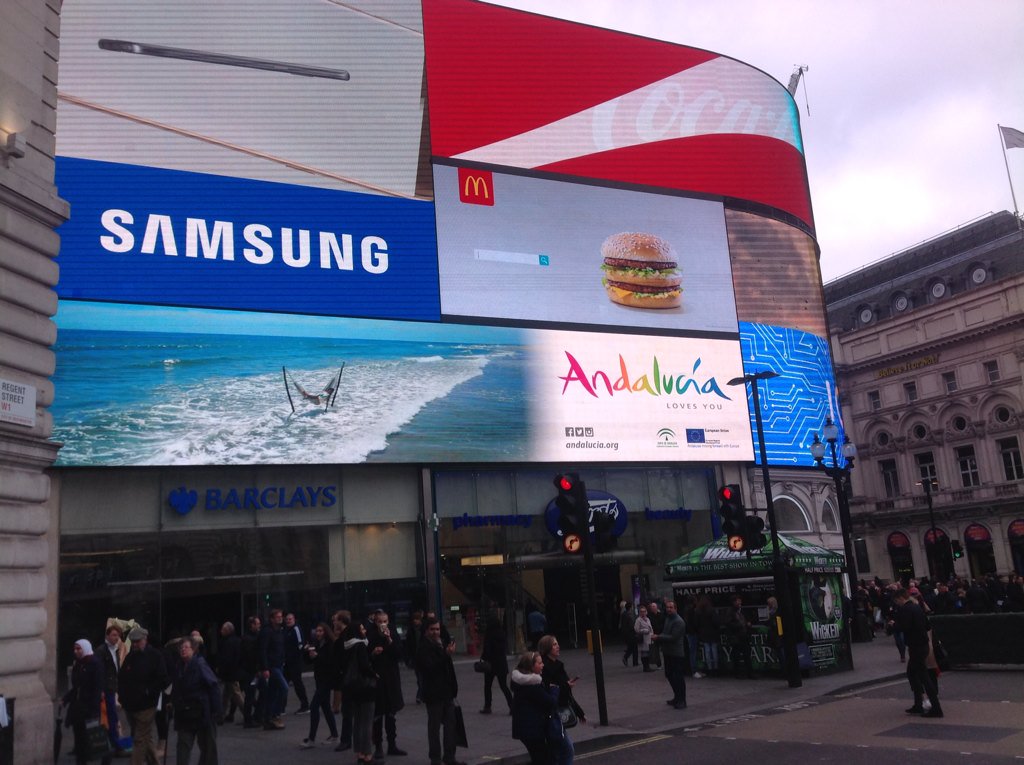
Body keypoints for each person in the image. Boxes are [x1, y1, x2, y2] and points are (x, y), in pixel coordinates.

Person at [416, 616, 465, 765]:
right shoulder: (423, 647)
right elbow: (429, 668)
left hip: (447, 692)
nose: (435, 632)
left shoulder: (441, 643)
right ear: (426, 631)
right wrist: (446, 654)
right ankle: (435, 758)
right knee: (434, 727)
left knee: (451, 725)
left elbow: (448, 668)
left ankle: (450, 756)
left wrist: (454, 688)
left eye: (437, 629)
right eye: (432, 629)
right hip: (433, 693)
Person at [119, 626, 170, 765]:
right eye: (133, 641)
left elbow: (163, 679)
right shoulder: (131, 656)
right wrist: (122, 697)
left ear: (145, 639)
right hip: (131, 705)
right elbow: (122, 677)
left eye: (138, 641)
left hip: (147, 705)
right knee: (145, 736)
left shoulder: (155, 656)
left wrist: (148, 691)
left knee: (139, 738)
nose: (135, 644)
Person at [889, 588, 943, 718]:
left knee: (922, 676)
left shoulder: (905, 610)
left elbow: (903, 627)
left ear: (900, 598)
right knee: (913, 673)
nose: (897, 604)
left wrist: (893, 625)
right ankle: (919, 704)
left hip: (915, 646)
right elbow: (927, 626)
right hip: (923, 644)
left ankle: (935, 708)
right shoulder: (917, 607)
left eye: (897, 601)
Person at [171, 636, 222, 765]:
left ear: (193, 650)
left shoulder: (200, 664)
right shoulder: (178, 666)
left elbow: (214, 686)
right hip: (184, 713)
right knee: (182, 747)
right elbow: (176, 688)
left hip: (201, 712)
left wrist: (216, 711)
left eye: (186, 648)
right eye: (181, 648)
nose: (183, 650)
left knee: (207, 748)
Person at [538, 635, 585, 765]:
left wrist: (579, 711)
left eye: (557, 643)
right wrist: (565, 685)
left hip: (558, 710)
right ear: (547, 648)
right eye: (554, 644)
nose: (558, 646)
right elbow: (547, 688)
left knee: (559, 751)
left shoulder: (558, 665)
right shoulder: (543, 667)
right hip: (550, 713)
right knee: (566, 750)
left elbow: (565, 691)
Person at [369, 609, 407, 758]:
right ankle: (378, 745)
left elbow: (399, 654)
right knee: (377, 715)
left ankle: (392, 744)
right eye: (380, 621)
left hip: (391, 679)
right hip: (378, 679)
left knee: (391, 714)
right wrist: (373, 653)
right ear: (375, 622)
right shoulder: (371, 635)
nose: (383, 624)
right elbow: (365, 656)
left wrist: (390, 640)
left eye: (385, 621)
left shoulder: (392, 633)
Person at [63, 638, 107, 765]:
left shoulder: (95, 664)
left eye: (79, 648)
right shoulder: (78, 664)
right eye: (75, 649)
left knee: (91, 737)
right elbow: (76, 687)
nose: (76, 651)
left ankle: (103, 757)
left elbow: (97, 688)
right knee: (80, 737)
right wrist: (66, 699)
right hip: (78, 707)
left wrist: (94, 710)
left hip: (89, 707)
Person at [510, 652, 558, 765]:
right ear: (531, 666)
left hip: (525, 729)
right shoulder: (532, 685)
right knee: (544, 760)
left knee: (539, 758)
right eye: (539, 663)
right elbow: (551, 702)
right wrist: (554, 690)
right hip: (532, 730)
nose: (543, 665)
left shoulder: (520, 683)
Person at [343, 622, 379, 764]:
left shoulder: (348, 646)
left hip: (352, 688)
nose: (365, 630)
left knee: (357, 721)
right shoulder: (360, 646)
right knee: (367, 721)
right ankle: (367, 754)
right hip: (365, 687)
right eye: (362, 628)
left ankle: (358, 752)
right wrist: (374, 674)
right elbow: (364, 666)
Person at [301, 621, 340, 749]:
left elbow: (330, 662)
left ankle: (311, 738)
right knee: (325, 707)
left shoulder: (330, 645)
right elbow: (309, 661)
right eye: (317, 631)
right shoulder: (317, 644)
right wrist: (307, 652)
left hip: (327, 680)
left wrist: (317, 656)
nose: (318, 633)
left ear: (326, 632)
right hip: (320, 680)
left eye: (321, 631)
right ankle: (334, 734)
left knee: (314, 706)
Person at [98, 624, 128, 754]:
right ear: (107, 636)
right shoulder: (102, 651)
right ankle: (115, 743)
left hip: (114, 687)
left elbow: (116, 669)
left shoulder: (115, 650)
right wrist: (101, 690)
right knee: (111, 717)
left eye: (118, 635)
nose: (117, 638)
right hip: (107, 689)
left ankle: (114, 742)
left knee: (113, 716)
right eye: (114, 635)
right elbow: (100, 672)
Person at [652, 600, 687, 709]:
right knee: (669, 674)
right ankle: (677, 696)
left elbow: (673, 637)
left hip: (676, 653)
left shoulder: (679, 621)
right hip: (668, 652)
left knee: (678, 677)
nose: (669, 609)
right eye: (667, 607)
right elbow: (665, 632)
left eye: (671, 607)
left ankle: (682, 699)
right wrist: (659, 636)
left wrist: (658, 637)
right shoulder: (668, 619)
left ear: (675, 609)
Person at [259, 608, 289, 730]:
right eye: (277, 617)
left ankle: (268, 718)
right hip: (272, 665)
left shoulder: (279, 631)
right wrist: (265, 667)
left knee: (273, 692)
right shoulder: (267, 631)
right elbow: (263, 650)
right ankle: (275, 714)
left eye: (281, 616)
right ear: (272, 619)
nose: (280, 618)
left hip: (279, 664)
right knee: (284, 688)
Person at [480, 614, 513, 715]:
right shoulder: (502, 633)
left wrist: (483, 657)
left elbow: (487, 649)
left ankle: (487, 706)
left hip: (490, 664)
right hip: (501, 664)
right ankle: (512, 706)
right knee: (504, 686)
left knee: (487, 686)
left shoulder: (489, 634)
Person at [216, 622, 244, 724]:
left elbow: (227, 659)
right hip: (232, 672)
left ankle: (246, 713)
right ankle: (221, 715)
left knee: (235, 694)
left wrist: (222, 670)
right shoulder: (236, 640)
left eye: (223, 629)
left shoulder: (228, 642)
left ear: (228, 631)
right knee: (226, 695)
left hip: (230, 673)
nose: (221, 631)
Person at [240, 615, 264, 729]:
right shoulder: (250, 639)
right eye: (257, 624)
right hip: (250, 671)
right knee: (250, 695)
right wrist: (256, 669)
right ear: (252, 625)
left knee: (252, 694)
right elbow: (251, 657)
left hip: (250, 670)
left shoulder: (251, 637)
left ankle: (252, 716)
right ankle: (248, 719)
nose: (259, 625)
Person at [285, 612, 311, 714]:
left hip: (295, 661)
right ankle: (281, 706)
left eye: (290, 619)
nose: (288, 621)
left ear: (294, 619)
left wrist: (299, 653)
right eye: (287, 619)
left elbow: (300, 644)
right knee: (285, 683)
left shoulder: (295, 629)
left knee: (297, 683)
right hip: (288, 661)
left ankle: (305, 705)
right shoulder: (287, 630)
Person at [724, 595, 753, 678]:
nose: (740, 602)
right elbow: (728, 623)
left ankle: (749, 673)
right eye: (738, 601)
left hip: (743, 636)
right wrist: (740, 625)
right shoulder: (730, 612)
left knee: (746, 655)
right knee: (737, 656)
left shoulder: (741, 611)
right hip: (736, 636)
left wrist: (748, 624)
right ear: (733, 602)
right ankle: (738, 673)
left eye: (740, 600)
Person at [694, 596, 719, 677]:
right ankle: (715, 668)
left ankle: (710, 668)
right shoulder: (712, 610)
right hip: (712, 632)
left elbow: (697, 623)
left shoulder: (699, 611)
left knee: (707, 651)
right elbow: (716, 622)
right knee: (714, 650)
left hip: (704, 633)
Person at [634, 605, 654, 672]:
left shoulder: (648, 619)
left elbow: (650, 628)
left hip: (649, 638)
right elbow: (636, 629)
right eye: (641, 612)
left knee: (648, 653)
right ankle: (645, 667)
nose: (643, 613)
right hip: (643, 638)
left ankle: (648, 666)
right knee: (644, 653)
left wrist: (652, 634)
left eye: (644, 611)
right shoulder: (638, 620)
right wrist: (644, 631)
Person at [647, 601, 665, 669]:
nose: (653, 608)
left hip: (661, 633)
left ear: (656, 607)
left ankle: (665, 663)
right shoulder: (649, 616)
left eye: (654, 606)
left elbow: (663, 623)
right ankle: (659, 664)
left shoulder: (661, 615)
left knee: (664, 649)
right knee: (656, 651)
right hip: (654, 634)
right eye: (652, 607)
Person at [618, 602, 637, 667]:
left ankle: (633, 661)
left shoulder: (624, 614)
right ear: (630, 607)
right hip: (630, 633)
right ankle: (628, 658)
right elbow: (630, 624)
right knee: (633, 647)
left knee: (632, 647)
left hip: (627, 633)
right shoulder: (628, 615)